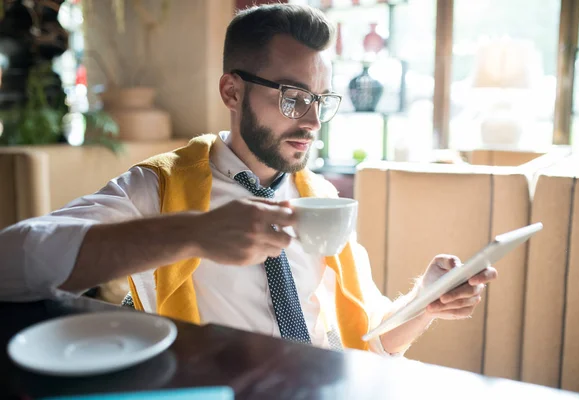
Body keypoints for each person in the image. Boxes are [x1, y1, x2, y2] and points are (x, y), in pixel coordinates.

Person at [0, 4, 496, 355]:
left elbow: (362, 340)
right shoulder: (159, 187)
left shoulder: (320, 198)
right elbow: (12, 261)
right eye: (292, 96)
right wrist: (193, 232)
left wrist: (425, 302)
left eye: (320, 100)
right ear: (231, 91)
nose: (312, 121)